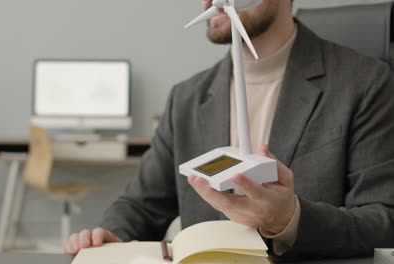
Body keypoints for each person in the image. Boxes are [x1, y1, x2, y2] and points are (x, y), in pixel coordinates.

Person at [65, 0, 394, 260]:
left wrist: (290, 220)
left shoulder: (366, 84)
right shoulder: (187, 98)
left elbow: (383, 221)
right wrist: (112, 237)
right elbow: (140, 204)